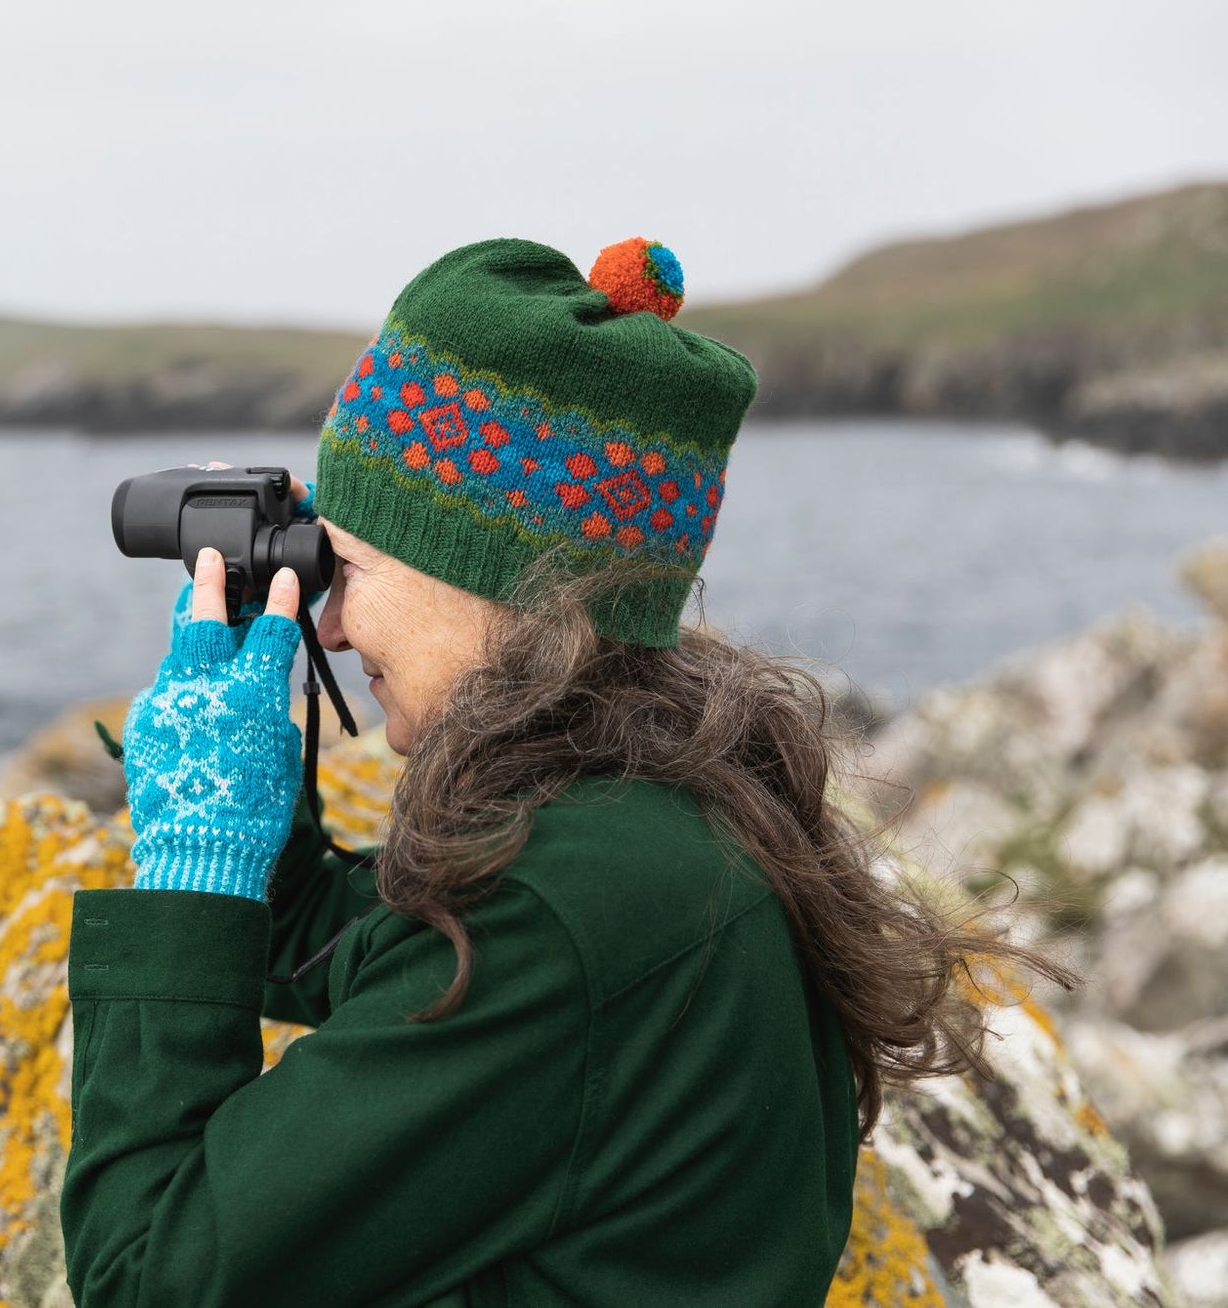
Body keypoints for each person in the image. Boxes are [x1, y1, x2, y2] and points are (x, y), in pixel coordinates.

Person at [60, 237, 1071, 1306]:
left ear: (493, 577)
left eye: (344, 566)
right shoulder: (663, 809)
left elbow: (146, 1273)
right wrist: (252, 823)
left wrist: (190, 870)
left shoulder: (556, 913)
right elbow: (356, 951)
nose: (335, 624)